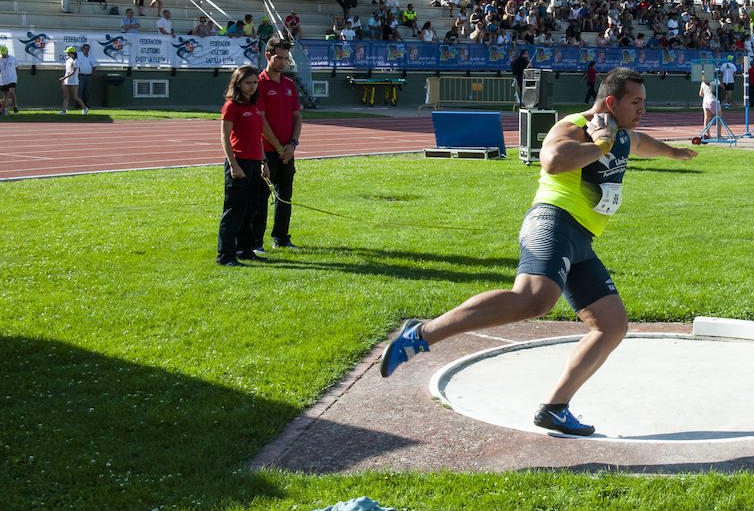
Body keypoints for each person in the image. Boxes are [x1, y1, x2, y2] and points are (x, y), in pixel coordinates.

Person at [377, 68, 700, 436]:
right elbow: (552, 160)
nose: (643, 109)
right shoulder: (577, 125)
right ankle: (420, 335)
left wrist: (674, 152)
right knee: (534, 299)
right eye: (636, 102)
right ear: (612, 102)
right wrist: (598, 146)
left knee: (611, 326)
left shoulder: (622, 134)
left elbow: (642, 142)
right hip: (553, 222)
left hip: (581, 240)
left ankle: (555, 408)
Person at [218, 65, 284, 266]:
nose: (253, 86)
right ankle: (225, 255)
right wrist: (234, 164)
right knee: (234, 211)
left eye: (255, 82)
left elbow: (257, 138)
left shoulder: (254, 107)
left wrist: (263, 162)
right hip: (239, 163)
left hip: (256, 163)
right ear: (238, 84)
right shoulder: (231, 106)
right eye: (248, 83)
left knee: (251, 209)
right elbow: (225, 137)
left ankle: (245, 250)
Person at [250, 37, 303, 250]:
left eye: (285, 58)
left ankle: (281, 238)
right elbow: (260, 120)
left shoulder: (289, 84)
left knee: (285, 197)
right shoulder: (258, 83)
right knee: (261, 198)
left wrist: (292, 144)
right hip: (267, 151)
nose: (282, 62)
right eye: (278, 58)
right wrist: (279, 148)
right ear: (267, 56)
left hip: (288, 150)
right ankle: (255, 242)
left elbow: (297, 117)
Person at [59, 46, 87, 115]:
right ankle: (64, 111)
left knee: (75, 97)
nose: (67, 54)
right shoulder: (68, 61)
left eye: (68, 53)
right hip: (66, 81)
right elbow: (67, 71)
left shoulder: (76, 61)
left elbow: (73, 72)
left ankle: (85, 108)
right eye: (67, 53)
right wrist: (65, 79)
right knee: (66, 97)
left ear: (72, 53)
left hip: (73, 81)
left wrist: (64, 78)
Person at [699, 73, 720, 140]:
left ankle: (708, 135)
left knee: (706, 119)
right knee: (719, 119)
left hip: (705, 102)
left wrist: (707, 95)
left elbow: (700, 94)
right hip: (714, 101)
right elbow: (722, 88)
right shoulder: (715, 81)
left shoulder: (703, 83)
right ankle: (719, 135)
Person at [76, 43, 96, 111]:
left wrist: (92, 73)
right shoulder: (79, 55)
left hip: (88, 76)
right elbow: (76, 64)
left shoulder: (90, 57)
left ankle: (84, 104)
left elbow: (94, 66)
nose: (86, 50)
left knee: (87, 91)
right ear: (82, 49)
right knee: (80, 90)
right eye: (85, 48)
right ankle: (78, 104)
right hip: (81, 75)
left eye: (87, 49)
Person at [0, 45, 18, 116]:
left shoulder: (12, 59)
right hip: (3, 80)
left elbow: (16, 68)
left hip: (12, 78)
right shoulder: (0, 60)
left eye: (4, 53)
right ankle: (7, 110)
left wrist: (15, 76)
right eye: (2, 54)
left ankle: (13, 106)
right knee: (6, 95)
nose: (3, 55)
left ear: (7, 52)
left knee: (11, 91)